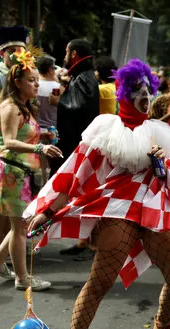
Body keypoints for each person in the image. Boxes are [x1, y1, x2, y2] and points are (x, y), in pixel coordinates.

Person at [26, 59, 170, 329]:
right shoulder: (106, 128)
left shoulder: (158, 132)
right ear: (124, 94)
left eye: (147, 90)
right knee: (101, 281)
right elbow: (74, 173)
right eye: (136, 90)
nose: (144, 96)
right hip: (117, 211)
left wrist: (160, 164)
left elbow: (168, 173)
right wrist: (46, 209)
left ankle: (163, 322)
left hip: (153, 210)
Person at [0, 48, 63, 290]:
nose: (36, 85)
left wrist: (41, 134)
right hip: (12, 174)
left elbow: (22, 134)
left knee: (21, 225)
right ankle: (22, 279)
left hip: (21, 174)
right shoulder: (11, 107)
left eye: (37, 80)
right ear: (17, 82)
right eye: (31, 81)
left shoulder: (23, 106)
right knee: (20, 228)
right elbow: (9, 141)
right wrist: (40, 148)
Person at [54, 39, 100, 257]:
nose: (64, 55)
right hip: (79, 144)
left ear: (73, 54)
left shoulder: (84, 78)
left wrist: (59, 100)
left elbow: (77, 107)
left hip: (80, 145)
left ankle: (91, 243)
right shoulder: (83, 76)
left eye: (66, 51)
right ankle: (84, 241)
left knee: (84, 192)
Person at [0, 26, 30, 251]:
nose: (17, 53)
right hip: (1, 141)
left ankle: (10, 244)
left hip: (19, 141)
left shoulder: (22, 74)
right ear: (2, 53)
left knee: (15, 197)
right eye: (12, 50)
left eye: (20, 49)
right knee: (1, 195)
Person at [36, 55, 61, 130]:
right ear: (50, 69)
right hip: (51, 128)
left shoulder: (34, 85)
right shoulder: (56, 88)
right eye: (54, 68)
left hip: (35, 127)